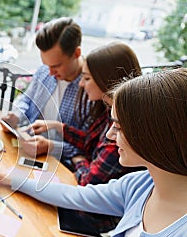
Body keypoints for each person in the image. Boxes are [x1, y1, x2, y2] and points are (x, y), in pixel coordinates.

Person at [0, 68, 187, 237]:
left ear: (156, 135)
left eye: (119, 127)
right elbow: (74, 195)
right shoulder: (140, 185)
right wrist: (10, 177)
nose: (109, 135)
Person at [29, 42, 142, 185]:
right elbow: (89, 141)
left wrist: (79, 159)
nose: (81, 84)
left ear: (108, 80)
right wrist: (57, 126)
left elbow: (87, 181)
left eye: (87, 78)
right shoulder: (108, 111)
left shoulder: (121, 131)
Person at [1, 17, 88, 161]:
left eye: (56, 66)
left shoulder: (91, 89)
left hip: (62, 162)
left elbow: (88, 145)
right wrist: (16, 116)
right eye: (47, 65)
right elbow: (27, 99)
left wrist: (51, 146)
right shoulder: (44, 71)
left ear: (76, 53)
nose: (50, 73)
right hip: (29, 149)